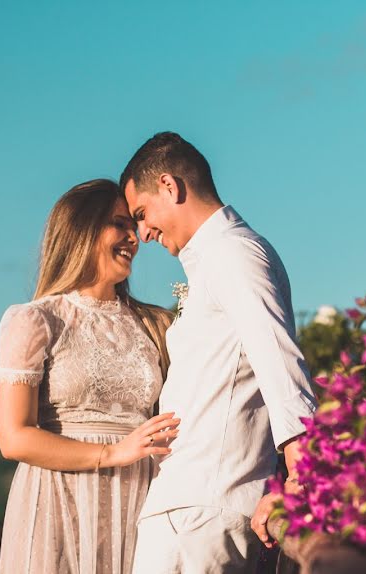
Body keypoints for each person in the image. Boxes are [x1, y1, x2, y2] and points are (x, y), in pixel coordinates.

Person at [122, 132, 317, 573]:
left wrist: (303, 478)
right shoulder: (219, 258)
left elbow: (278, 359)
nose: (144, 233)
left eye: (142, 213)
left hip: (200, 514)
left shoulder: (232, 253)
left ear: (170, 187)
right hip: (197, 505)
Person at [0, 179, 180, 573]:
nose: (134, 237)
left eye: (134, 225)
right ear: (81, 229)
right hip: (59, 503)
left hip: (139, 501)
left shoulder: (156, 325)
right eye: (119, 224)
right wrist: (112, 454)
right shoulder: (35, 320)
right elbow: (14, 437)